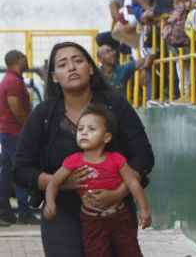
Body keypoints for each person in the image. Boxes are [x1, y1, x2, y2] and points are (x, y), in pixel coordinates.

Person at [15, 42, 154, 256]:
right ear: (53, 76)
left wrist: (117, 193)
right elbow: (21, 169)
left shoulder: (115, 106)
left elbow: (144, 157)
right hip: (62, 213)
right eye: (62, 64)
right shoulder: (43, 115)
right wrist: (58, 182)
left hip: (115, 214)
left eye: (78, 61)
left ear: (90, 69)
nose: (71, 67)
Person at [43, 104, 151, 256]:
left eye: (91, 129)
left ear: (106, 137)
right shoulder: (73, 161)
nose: (84, 133)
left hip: (119, 218)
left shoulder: (116, 160)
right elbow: (54, 183)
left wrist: (144, 210)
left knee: (130, 252)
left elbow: (133, 182)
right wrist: (50, 204)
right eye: (80, 129)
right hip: (91, 221)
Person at [0, 51, 35, 225]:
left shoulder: (11, 79)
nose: (27, 60)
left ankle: (4, 211)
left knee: (6, 172)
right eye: (24, 57)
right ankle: (24, 213)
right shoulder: (13, 81)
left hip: (8, 132)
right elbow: (16, 108)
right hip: (15, 133)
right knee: (19, 170)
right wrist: (28, 129)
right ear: (17, 60)